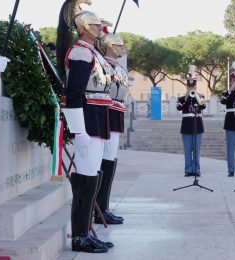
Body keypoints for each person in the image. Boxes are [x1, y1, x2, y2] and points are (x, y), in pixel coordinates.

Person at [57, 9, 113, 253]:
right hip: (87, 119)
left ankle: (86, 232)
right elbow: (74, 93)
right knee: (86, 179)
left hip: (98, 118)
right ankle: (79, 237)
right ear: (85, 28)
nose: (101, 29)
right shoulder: (81, 52)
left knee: (93, 177)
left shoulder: (92, 53)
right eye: (96, 25)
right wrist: (78, 131)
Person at [93, 32, 127, 225]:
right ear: (110, 46)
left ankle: (103, 207)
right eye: (119, 45)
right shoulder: (103, 65)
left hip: (116, 111)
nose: (122, 48)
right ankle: (99, 210)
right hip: (107, 111)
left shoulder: (118, 66)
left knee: (110, 160)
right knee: (103, 161)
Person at [177, 69, 206, 177]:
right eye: (189, 87)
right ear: (186, 87)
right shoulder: (181, 98)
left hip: (198, 125)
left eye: (193, 87)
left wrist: (196, 95)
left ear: (196, 86)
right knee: (187, 150)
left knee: (196, 150)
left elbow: (203, 106)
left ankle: (196, 169)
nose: (191, 88)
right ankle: (188, 170)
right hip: (186, 126)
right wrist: (186, 96)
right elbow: (179, 107)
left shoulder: (200, 97)